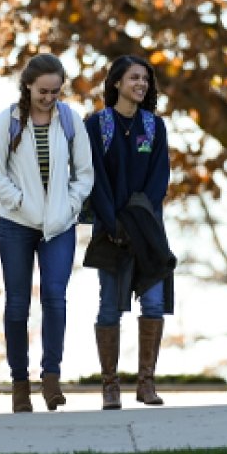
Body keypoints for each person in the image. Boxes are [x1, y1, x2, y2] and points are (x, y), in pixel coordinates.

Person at [0, 53, 94, 413]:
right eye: (43, 91)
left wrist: (70, 204)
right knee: (17, 304)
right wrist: (17, 200)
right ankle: (19, 384)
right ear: (28, 86)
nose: (49, 98)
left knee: (55, 298)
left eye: (55, 92)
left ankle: (51, 378)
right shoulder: (9, 122)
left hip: (59, 226)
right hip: (16, 225)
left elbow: (85, 173)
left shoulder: (70, 121)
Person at [84, 54, 175, 411]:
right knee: (109, 306)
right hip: (110, 231)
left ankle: (146, 384)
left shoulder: (154, 127)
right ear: (117, 83)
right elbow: (96, 181)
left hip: (149, 231)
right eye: (135, 78)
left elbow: (159, 181)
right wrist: (113, 222)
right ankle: (110, 387)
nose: (142, 84)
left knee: (153, 304)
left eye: (146, 80)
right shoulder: (98, 126)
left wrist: (140, 220)